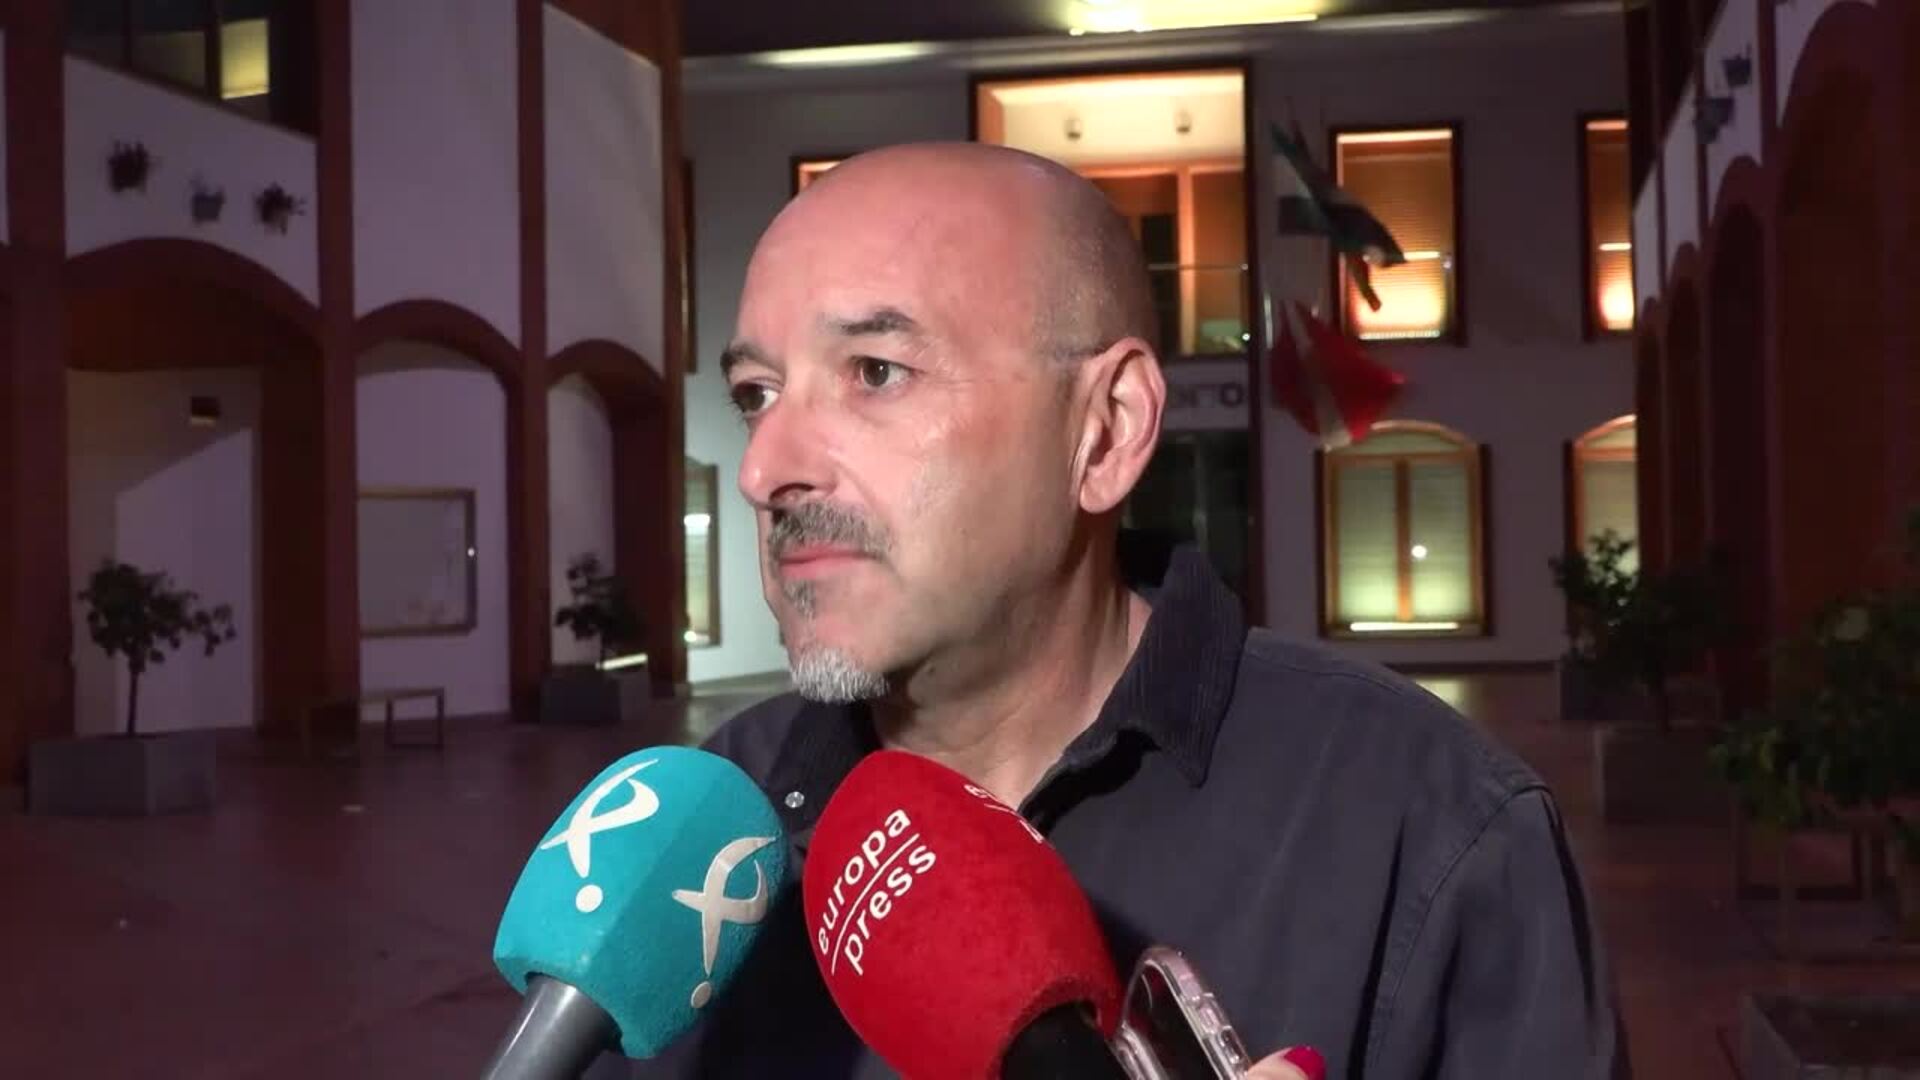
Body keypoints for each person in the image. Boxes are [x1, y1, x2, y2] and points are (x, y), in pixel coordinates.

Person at [635, 142, 1627, 1078]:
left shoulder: (1427, 824)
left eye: (875, 373)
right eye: (756, 394)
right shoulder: (689, 842)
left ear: (1107, 431)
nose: (763, 469)